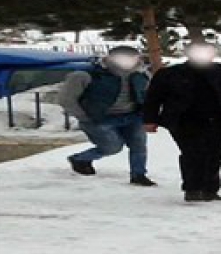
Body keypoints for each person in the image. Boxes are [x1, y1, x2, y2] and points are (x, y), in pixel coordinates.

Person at [142, 42, 221, 202]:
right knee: (192, 154)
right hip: (183, 121)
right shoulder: (169, 74)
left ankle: (209, 189)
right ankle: (192, 188)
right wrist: (150, 119)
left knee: (214, 154)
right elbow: (153, 98)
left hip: (220, 120)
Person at [58, 46, 156, 186]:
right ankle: (80, 159)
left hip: (132, 115)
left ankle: (139, 175)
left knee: (139, 145)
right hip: (100, 118)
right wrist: (84, 117)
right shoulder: (86, 75)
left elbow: (147, 94)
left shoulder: (142, 75)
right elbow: (66, 99)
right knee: (112, 147)